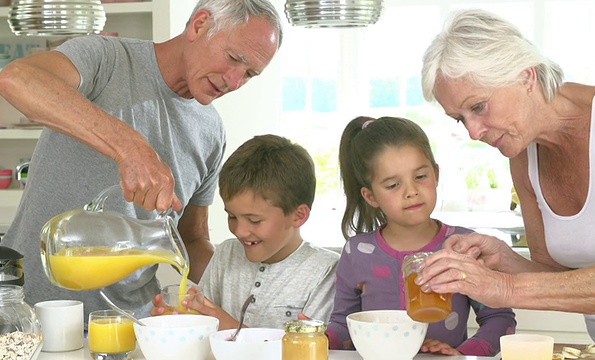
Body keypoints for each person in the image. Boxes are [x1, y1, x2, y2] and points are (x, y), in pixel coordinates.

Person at [0, 0, 282, 323]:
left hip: (131, 325)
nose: (234, 81)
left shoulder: (211, 131)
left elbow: (191, 238)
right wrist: (129, 147)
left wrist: (260, 278)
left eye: (249, 74)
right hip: (27, 315)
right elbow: (18, 79)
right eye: (233, 59)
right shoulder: (107, 59)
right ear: (200, 24)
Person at [419, 8, 595, 346]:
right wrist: (503, 263)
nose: (474, 132)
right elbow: (565, 283)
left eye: (477, 106)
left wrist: (503, 288)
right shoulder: (523, 153)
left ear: (525, 77)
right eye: (460, 119)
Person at [327, 116, 515, 356]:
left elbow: (499, 318)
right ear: (371, 196)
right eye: (393, 185)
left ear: (435, 175)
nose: (411, 191)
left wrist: (463, 354)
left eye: (420, 177)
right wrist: (320, 337)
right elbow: (344, 324)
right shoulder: (357, 252)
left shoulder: (464, 247)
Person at [152, 134, 340, 331]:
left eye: (254, 220)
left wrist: (229, 327)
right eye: (232, 217)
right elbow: (202, 326)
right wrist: (182, 318)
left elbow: (311, 349)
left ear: (298, 215)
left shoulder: (325, 270)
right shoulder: (226, 254)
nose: (239, 231)